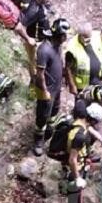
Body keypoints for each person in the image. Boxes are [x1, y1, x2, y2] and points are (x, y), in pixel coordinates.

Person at [64, 101, 102, 203]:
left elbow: (88, 129)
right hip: (74, 170)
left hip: (80, 165)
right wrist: (77, 178)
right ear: (93, 120)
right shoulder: (80, 136)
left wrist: (101, 139)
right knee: (73, 199)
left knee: (76, 199)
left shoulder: (80, 122)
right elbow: (72, 159)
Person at [32, 18, 71, 156]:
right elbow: (40, 74)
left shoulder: (57, 45)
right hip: (46, 88)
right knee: (42, 115)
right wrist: (45, 91)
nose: (66, 38)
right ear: (59, 35)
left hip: (56, 86)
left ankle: (49, 131)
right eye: (64, 36)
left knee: (54, 111)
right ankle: (38, 140)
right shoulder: (44, 50)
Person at [16, 0, 55, 90]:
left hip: (43, 38)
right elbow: (19, 27)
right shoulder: (33, 10)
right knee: (35, 67)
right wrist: (28, 39)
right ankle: (33, 88)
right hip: (35, 42)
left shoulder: (41, 3)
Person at [65, 23, 102, 96]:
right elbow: (67, 68)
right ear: (80, 35)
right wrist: (72, 85)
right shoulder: (72, 48)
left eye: (89, 38)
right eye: (85, 38)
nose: (88, 40)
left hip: (96, 76)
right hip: (82, 84)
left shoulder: (94, 36)